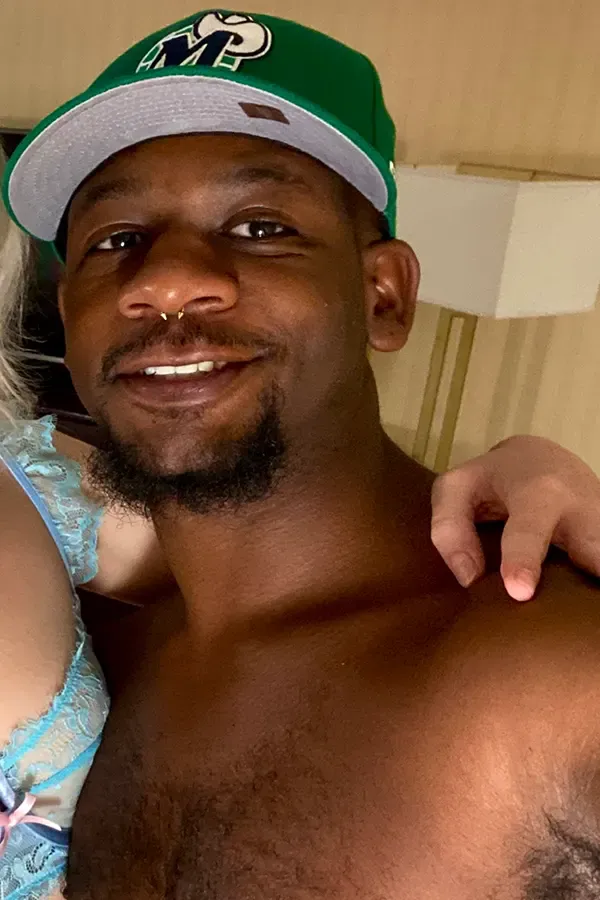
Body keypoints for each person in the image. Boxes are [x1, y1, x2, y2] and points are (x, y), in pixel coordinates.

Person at [6, 10, 600, 897]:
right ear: (69, 316)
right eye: (116, 241)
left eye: (259, 227)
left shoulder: (551, 674)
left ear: (384, 297)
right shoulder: (104, 670)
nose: (163, 281)